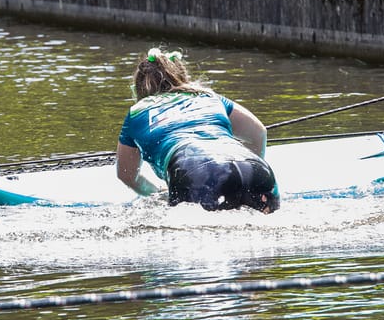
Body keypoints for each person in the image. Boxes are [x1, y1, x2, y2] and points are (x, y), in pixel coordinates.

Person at [116, 47, 279, 213]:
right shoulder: (208, 96)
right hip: (254, 167)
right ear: (182, 76)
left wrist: (158, 195)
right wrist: (250, 169)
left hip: (195, 173)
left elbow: (127, 175)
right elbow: (259, 132)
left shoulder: (137, 112)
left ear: (139, 87)